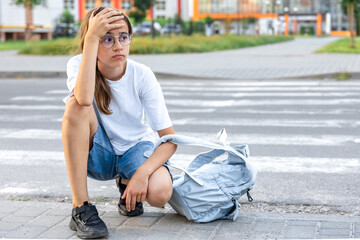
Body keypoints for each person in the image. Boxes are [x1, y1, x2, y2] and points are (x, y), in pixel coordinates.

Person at [62, 6, 176, 239]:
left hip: (134, 149)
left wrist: (142, 174)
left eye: (124, 37)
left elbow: (169, 139)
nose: (118, 46)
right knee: (75, 105)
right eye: (107, 39)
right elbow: (83, 98)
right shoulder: (78, 64)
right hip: (98, 153)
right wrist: (92, 38)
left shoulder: (141, 74)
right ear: (91, 41)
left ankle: (127, 183)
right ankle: (80, 207)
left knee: (161, 192)